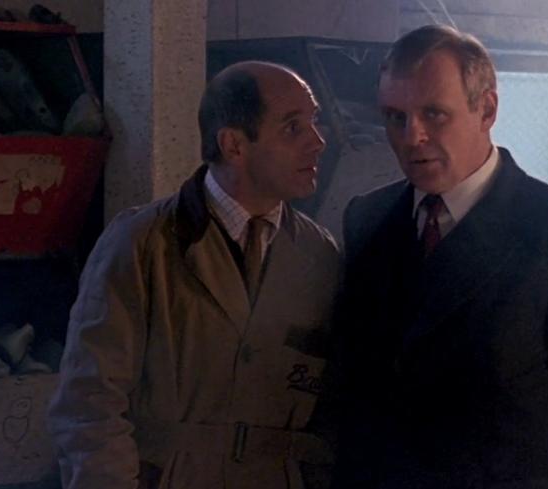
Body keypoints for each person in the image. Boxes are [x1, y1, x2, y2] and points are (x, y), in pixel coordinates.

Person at [334, 25, 548, 489]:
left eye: (434, 114)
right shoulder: (367, 219)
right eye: (395, 117)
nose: (412, 137)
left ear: (487, 110)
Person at [48, 62, 340, 489]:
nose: (318, 141)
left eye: (314, 121)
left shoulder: (320, 254)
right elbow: (89, 402)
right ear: (233, 145)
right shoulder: (142, 243)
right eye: (293, 127)